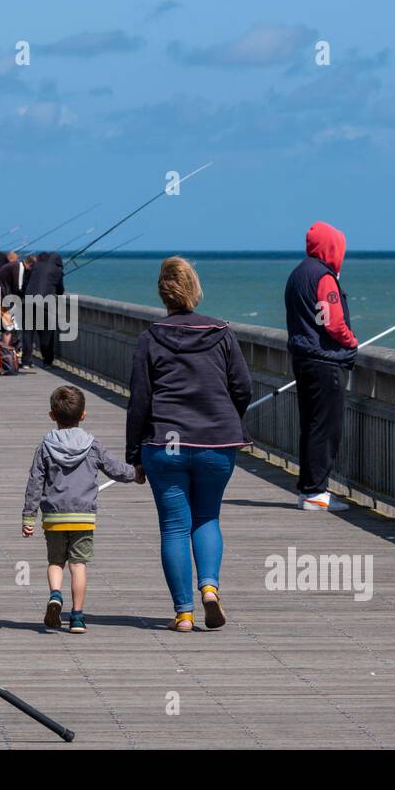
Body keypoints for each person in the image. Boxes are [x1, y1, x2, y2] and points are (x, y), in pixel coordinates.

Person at [126, 256, 252, 632]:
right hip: (217, 442)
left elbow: (140, 401)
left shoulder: (150, 338)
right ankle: (210, 589)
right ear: (194, 289)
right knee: (208, 517)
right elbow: (242, 387)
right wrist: (228, 415)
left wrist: (135, 456)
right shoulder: (222, 333)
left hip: (165, 445)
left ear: (163, 292)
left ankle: (183, 614)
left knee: (174, 528)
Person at [22, 385, 135, 634]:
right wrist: (136, 473)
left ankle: (54, 596)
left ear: (52, 415)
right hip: (83, 516)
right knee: (78, 565)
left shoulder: (45, 446)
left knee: (55, 562)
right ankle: (77, 617)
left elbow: (35, 482)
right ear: (83, 415)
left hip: (53, 516)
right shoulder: (92, 445)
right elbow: (115, 469)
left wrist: (29, 517)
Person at [284, 221, 357, 512]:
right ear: (332, 247)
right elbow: (333, 321)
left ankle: (308, 490)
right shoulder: (323, 277)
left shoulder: (298, 274)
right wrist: (351, 342)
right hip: (323, 363)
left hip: (303, 358)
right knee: (327, 428)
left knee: (311, 426)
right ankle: (316, 492)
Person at [21, 251, 64, 369]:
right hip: (45, 305)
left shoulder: (35, 265)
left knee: (28, 333)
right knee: (47, 334)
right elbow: (60, 290)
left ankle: (26, 362)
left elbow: (26, 282)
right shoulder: (57, 270)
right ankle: (47, 361)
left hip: (29, 302)